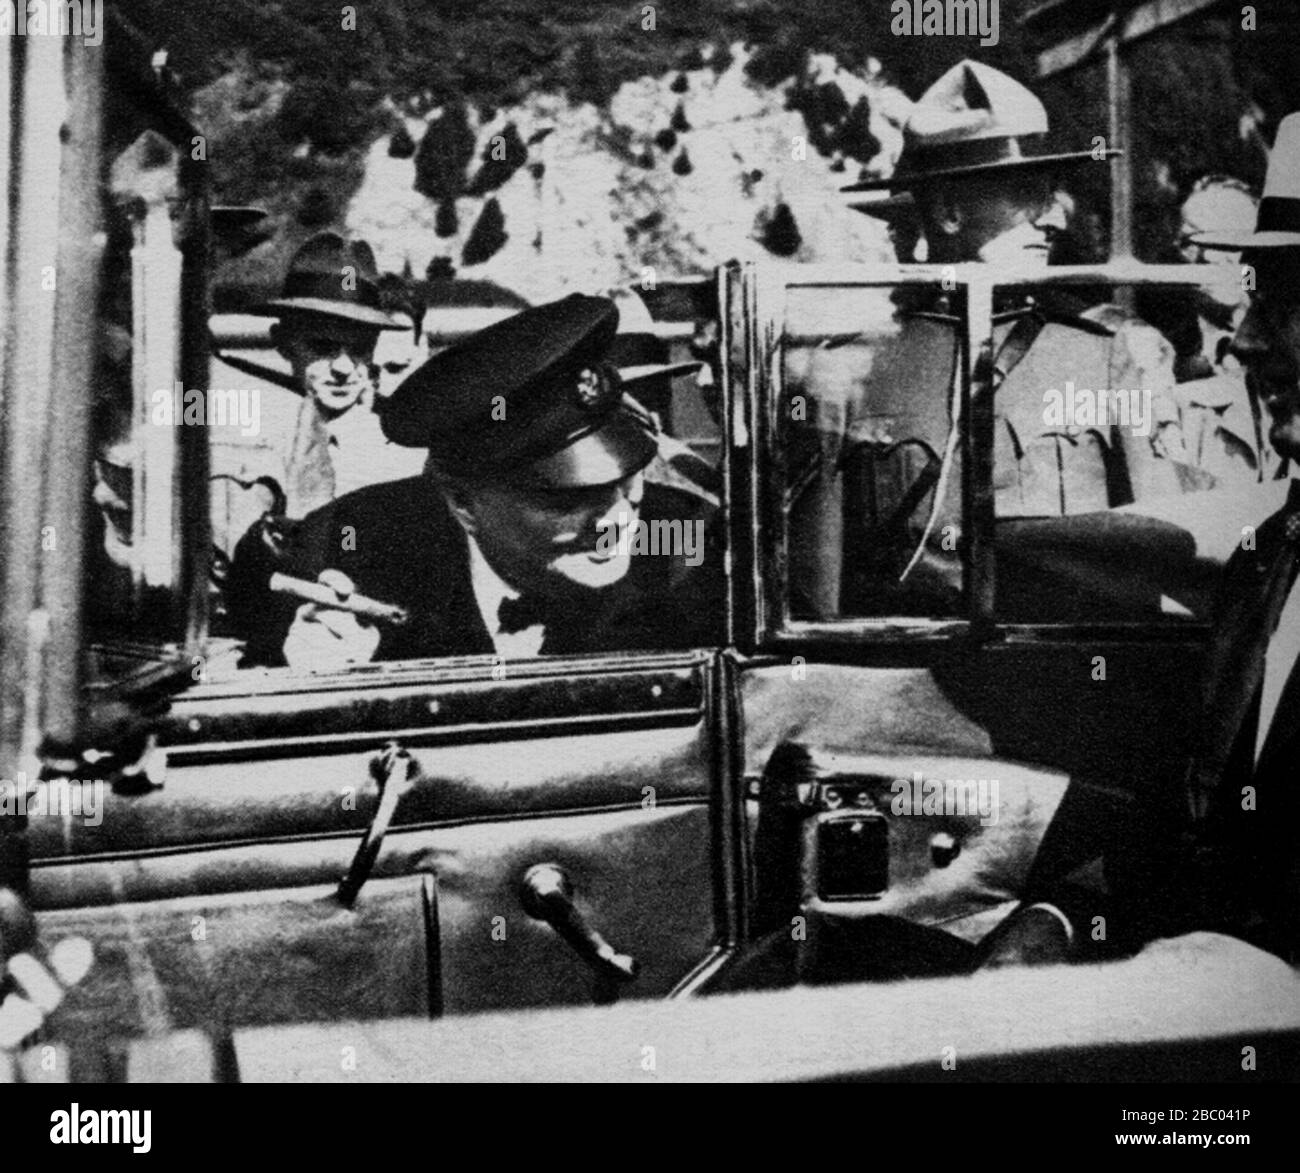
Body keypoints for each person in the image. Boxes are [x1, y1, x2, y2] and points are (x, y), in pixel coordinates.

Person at [983, 113, 1300, 969]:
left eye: (1294, 302)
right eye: (1261, 298)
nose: (1253, 338)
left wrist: (1233, 968)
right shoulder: (1273, 553)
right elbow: (1189, 828)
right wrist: (1053, 922)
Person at [810, 59, 1185, 618]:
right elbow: (815, 602)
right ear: (949, 211)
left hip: (1056, 684)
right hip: (902, 692)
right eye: (1027, 194)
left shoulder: (1105, 358)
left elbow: (1163, 552)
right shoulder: (848, 373)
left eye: (1052, 195)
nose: (1055, 219)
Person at [228, 294, 725, 668]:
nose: (619, 521)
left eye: (627, 480)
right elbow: (259, 595)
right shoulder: (361, 544)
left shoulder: (681, 536)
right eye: (568, 497)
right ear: (462, 502)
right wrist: (306, 667)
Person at [251, 233, 428, 518]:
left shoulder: (408, 455)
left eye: (360, 350)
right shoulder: (251, 438)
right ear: (283, 343)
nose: (344, 368)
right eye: (322, 347)